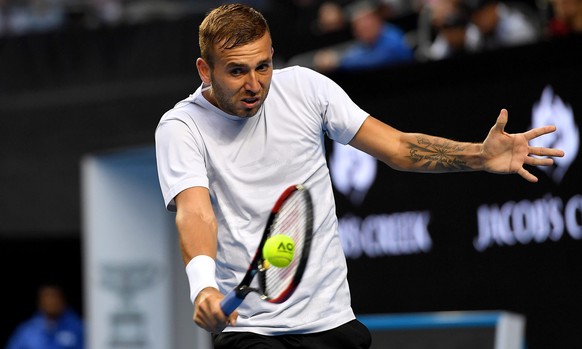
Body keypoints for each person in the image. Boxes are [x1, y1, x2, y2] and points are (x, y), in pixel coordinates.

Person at [154, 3, 564, 348]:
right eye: (237, 71)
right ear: (204, 71)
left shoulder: (307, 89)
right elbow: (196, 212)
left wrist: (479, 156)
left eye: (264, 66)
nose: (255, 84)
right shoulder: (181, 127)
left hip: (332, 321)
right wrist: (203, 285)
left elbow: (399, 148)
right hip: (252, 330)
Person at [5, 283, 84, 349]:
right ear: (39, 302)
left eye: (53, 297)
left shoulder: (78, 327)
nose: (50, 302)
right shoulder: (27, 330)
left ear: (62, 300)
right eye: (46, 298)